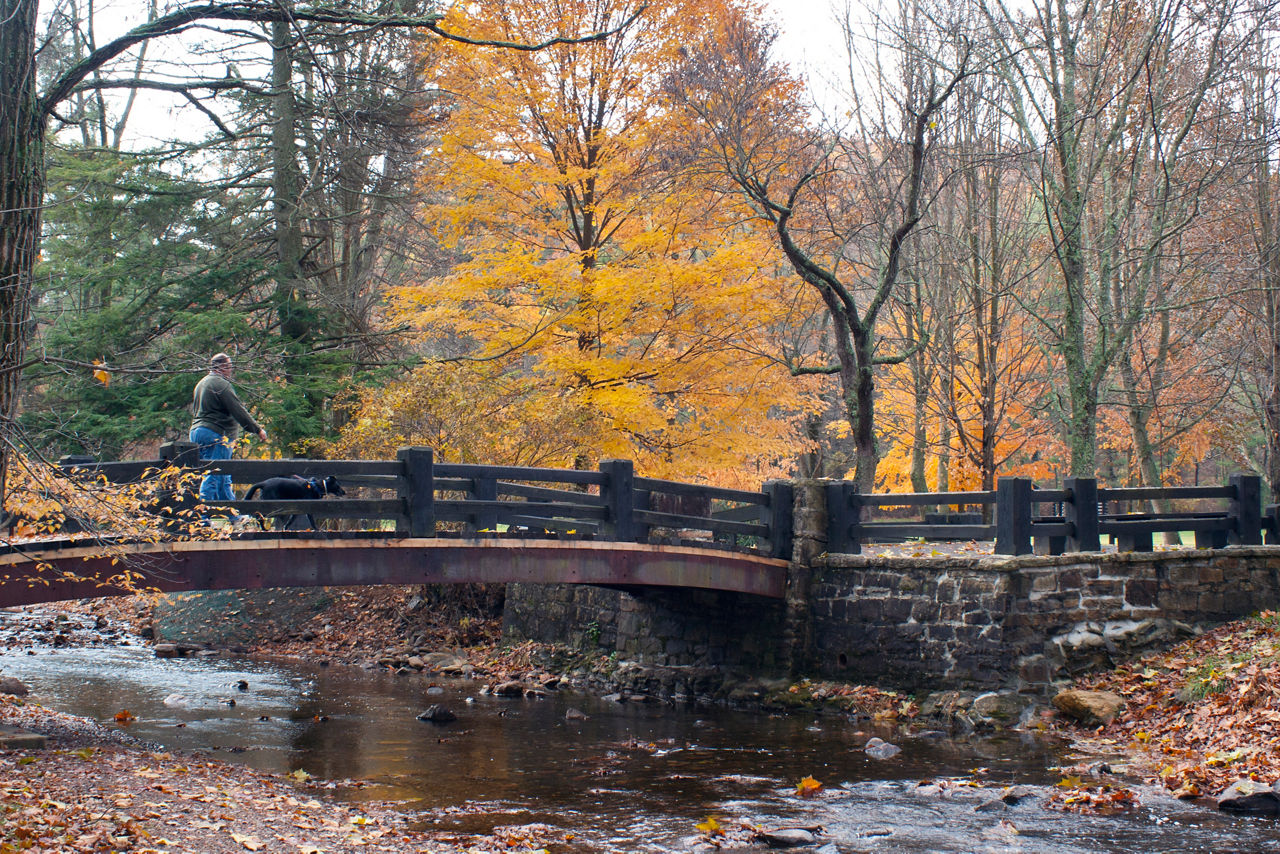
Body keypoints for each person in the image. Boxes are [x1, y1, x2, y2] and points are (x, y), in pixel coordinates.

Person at [189, 353, 268, 503]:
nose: (231, 370)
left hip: (198, 431)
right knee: (213, 474)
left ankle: (232, 515)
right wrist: (257, 429)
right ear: (222, 367)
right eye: (229, 366)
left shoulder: (202, 383)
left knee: (223, 475)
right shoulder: (220, 384)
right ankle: (202, 517)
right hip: (216, 432)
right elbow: (237, 409)